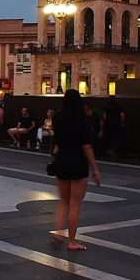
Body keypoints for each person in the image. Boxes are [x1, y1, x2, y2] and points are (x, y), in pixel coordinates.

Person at [48, 89, 102, 253]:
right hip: (78, 162)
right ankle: (72, 241)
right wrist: (95, 168)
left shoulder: (57, 118)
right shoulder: (82, 121)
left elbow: (56, 141)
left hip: (62, 161)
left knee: (63, 201)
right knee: (75, 203)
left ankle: (58, 232)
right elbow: (86, 146)